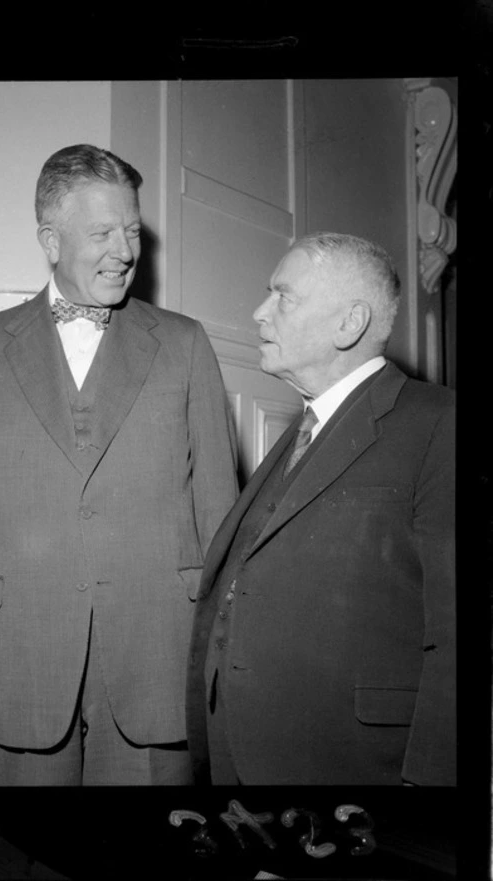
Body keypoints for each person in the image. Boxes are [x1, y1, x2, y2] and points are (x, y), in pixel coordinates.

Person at [0, 144, 239, 785]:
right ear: (50, 239)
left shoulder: (184, 344)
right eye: (102, 233)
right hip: (18, 667)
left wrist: (228, 665)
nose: (124, 250)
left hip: (159, 662)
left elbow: (221, 519)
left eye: (131, 231)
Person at [186, 232, 455, 786]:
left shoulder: (439, 423)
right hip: (240, 760)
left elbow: (459, 634)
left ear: (348, 323)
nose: (260, 313)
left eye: (283, 296)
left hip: (353, 770)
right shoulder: (303, 430)